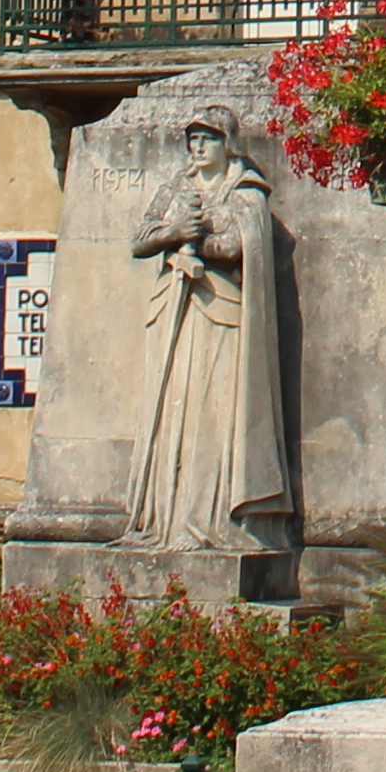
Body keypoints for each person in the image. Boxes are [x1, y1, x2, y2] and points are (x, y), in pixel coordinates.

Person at [124, 102, 291, 555]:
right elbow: (140, 240)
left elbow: (243, 246)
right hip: (175, 310)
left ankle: (211, 516)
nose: (197, 147)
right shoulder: (177, 187)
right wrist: (175, 231)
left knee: (215, 416)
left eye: (207, 138)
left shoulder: (246, 190)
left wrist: (202, 242)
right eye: (192, 139)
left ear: (227, 144)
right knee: (174, 410)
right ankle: (168, 517)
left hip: (223, 312)